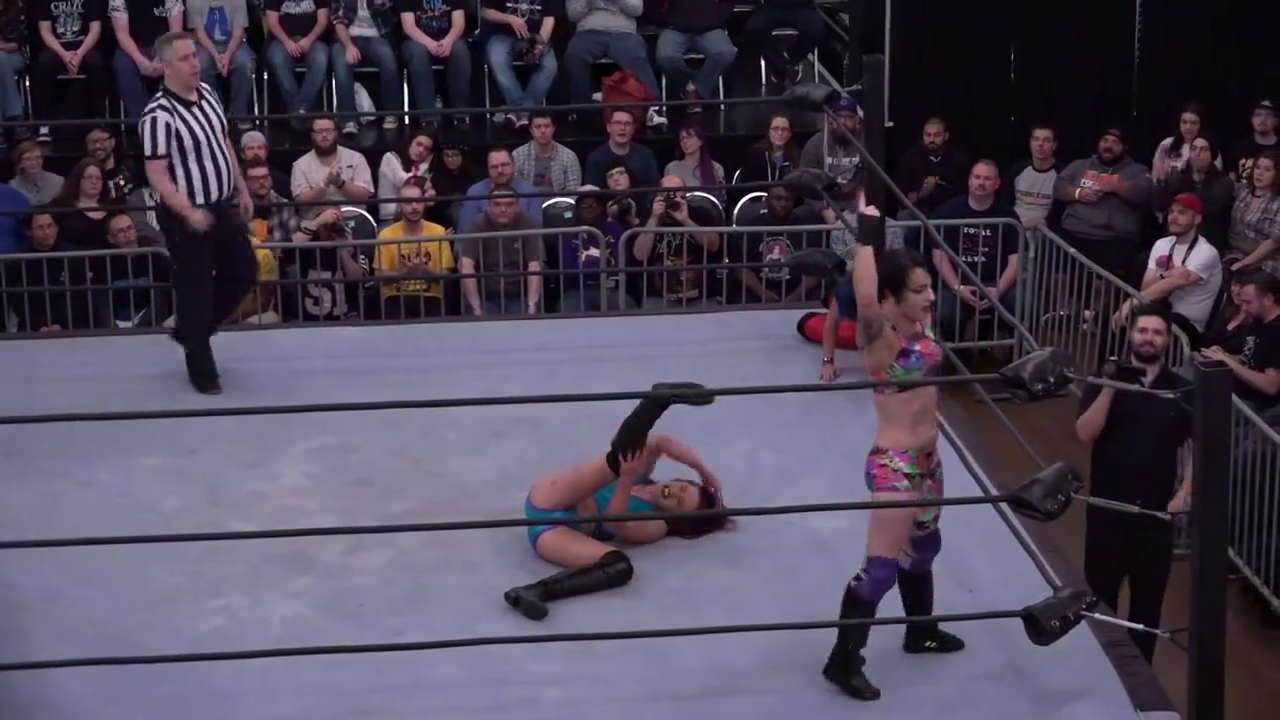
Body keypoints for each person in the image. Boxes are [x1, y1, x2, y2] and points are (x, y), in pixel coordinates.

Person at [795, 210, 965, 702]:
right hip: (896, 465)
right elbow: (866, 297)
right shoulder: (882, 340)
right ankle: (842, 661)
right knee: (881, 569)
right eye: (919, 290)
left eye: (929, 287)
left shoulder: (922, 324)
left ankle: (920, 631)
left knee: (926, 548)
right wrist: (867, 236)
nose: (929, 297)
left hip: (930, 460)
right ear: (893, 297)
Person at [506, 384, 728, 621]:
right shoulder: (643, 474)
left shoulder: (656, 524)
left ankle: (531, 593)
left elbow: (614, 524)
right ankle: (657, 401)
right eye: (682, 488)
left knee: (619, 566)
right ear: (677, 480)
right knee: (617, 461)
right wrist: (702, 470)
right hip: (552, 497)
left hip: (557, 534)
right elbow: (661, 442)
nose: (674, 494)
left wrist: (626, 480)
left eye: (679, 503)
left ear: (676, 516)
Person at [1075, 304, 1192, 664]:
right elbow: (1084, 432)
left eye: (1156, 332)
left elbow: (1198, 445)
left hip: (1155, 517)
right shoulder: (1104, 378)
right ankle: (1099, 670)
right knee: (1101, 598)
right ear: (1130, 335)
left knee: (1148, 606)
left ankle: (1142, 679)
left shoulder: (1182, 389)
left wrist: (1186, 493)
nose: (1148, 338)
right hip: (1107, 511)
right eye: (1142, 331)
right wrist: (1111, 388)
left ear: (1167, 340)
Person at [140, 30, 256, 395]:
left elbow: (224, 142)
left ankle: (193, 331)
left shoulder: (207, 93)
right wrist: (188, 210)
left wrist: (241, 187)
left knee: (244, 270)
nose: (195, 63)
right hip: (185, 215)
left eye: (195, 55)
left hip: (219, 204)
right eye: (186, 58)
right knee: (196, 288)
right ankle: (202, 367)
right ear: (166, 67)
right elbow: (156, 174)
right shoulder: (158, 115)